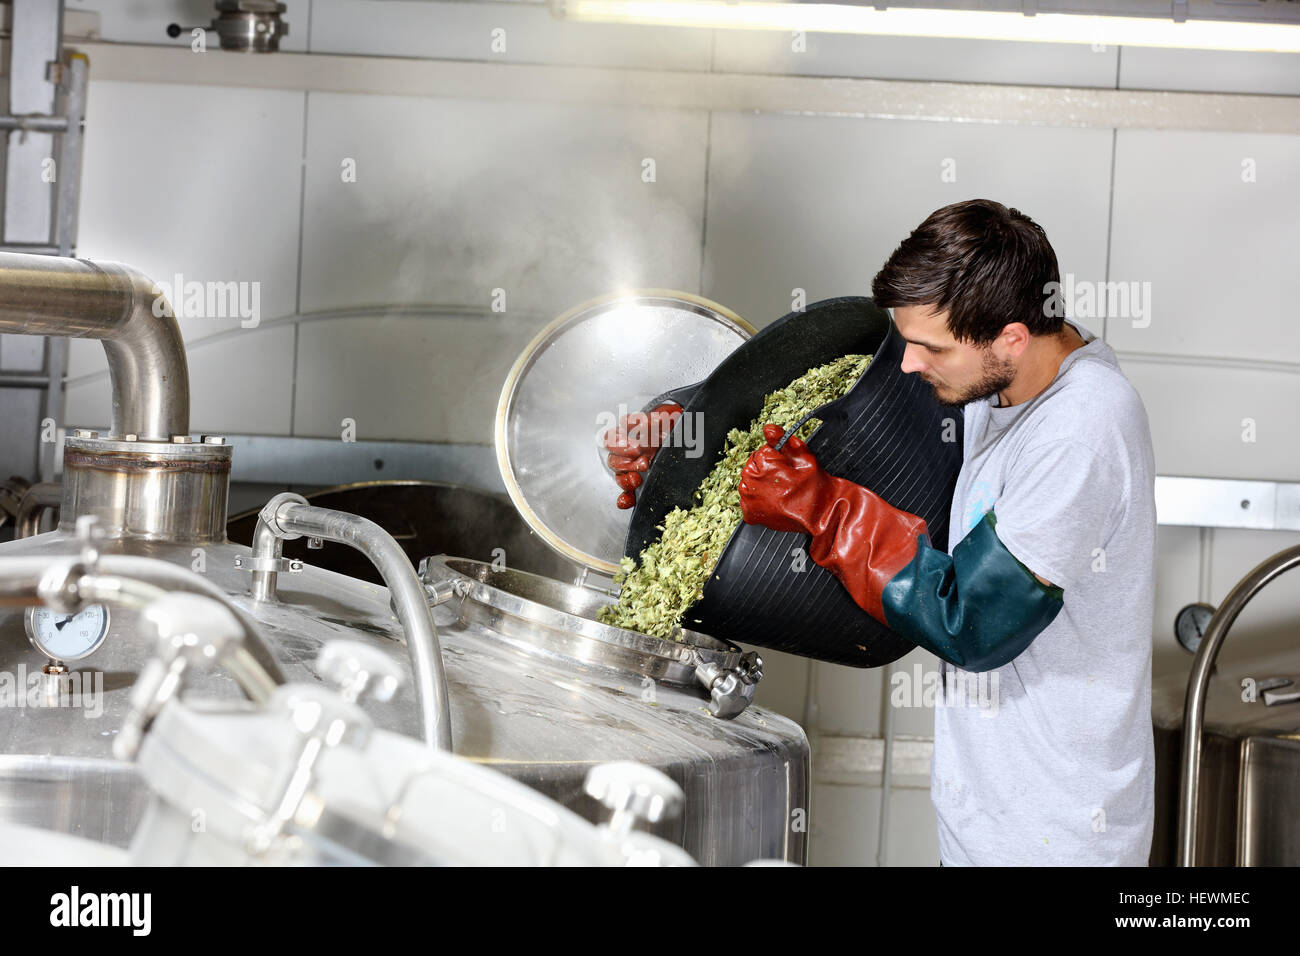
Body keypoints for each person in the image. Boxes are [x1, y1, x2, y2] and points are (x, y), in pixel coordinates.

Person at [737, 199, 1157, 866]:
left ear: (1011, 337)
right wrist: (682, 434)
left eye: (929, 348)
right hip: (989, 817)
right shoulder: (999, 386)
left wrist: (825, 511)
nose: (908, 364)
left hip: (1053, 836)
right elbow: (886, 459)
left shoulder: (1082, 430)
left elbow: (972, 621)